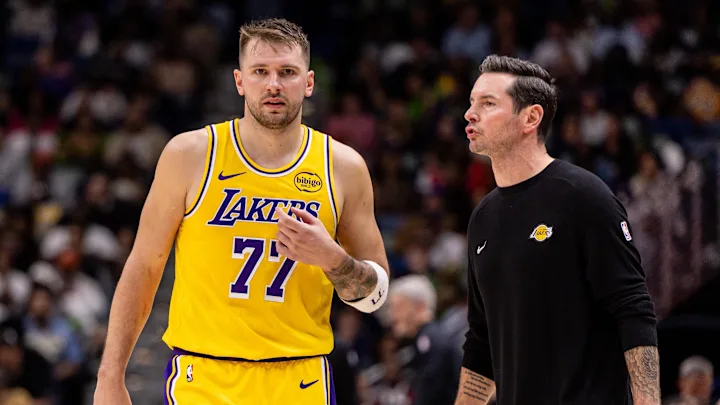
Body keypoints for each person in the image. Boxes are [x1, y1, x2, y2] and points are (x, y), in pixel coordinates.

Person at [93, 18, 390, 405]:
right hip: (203, 377)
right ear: (239, 81)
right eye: (260, 71)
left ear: (309, 82)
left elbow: (376, 297)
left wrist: (332, 259)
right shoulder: (190, 155)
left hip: (300, 378)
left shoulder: (343, 167)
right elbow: (144, 266)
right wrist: (110, 376)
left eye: (287, 72)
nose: (273, 84)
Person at [455, 55, 660, 405]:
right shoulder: (482, 218)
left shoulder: (584, 196)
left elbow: (633, 310)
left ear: (530, 117)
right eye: (472, 102)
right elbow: (481, 341)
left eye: (488, 103)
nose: (470, 114)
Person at [388, 274, 461, 405]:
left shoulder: (431, 342)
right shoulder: (419, 342)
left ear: (420, 306)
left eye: (399, 307)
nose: (393, 316)